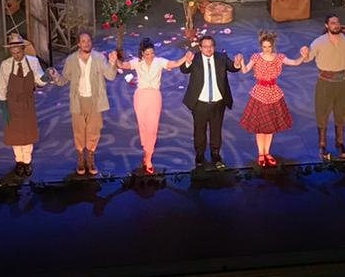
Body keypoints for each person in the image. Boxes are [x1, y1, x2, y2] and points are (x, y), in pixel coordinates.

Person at [235, 30, 309, 166]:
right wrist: (240, 63)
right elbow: (245, 71)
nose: (267, 49)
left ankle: (267, 153)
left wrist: (303, 56)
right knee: (260, 127)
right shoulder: (256, 57)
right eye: (264, 47)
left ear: (273, 46)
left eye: (269, 46)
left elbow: (295, 63)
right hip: (259, 94)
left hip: (273, 94)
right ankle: (260, 154)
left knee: (269, 128)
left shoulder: (279, 57)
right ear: (261, 47)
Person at [57, 29, 119, 177]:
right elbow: (63, 80)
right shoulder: (71, 60)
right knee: (78, 131)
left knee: (94, 130)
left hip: (95, 101)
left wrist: (112, 63)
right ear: (78, 44)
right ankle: (80, 159)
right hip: (78, 101)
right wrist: (54, 76)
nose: (87, 44)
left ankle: (90, 158)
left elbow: (110, 76)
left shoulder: (99, 58)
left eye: (89, 41)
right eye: (83, 41)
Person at [0, 33, 58, 177]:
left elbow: (40, 81)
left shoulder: (33, 61)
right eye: (13, 53)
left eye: (18, 52)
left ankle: (27, 161)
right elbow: (2, 87)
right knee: (15, 136)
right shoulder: (5, 65)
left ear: (23, 50)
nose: (16, 55)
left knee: (27, 135)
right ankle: (19, 162)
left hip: (27, 103)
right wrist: (4, 108)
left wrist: (47, 76)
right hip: (12, 104)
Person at [125, 37, 187, 174]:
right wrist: (114, 61)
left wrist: (185, 58)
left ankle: (148, 157)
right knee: (143, 126)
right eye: (147, 54)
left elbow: (174, 63)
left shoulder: (159, 62)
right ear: (142, 54)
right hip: (140, 96)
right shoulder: (137, 63)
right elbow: (123, 65)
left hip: (154, 96)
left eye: (152, 53)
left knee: (152, 127)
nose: (150, 56)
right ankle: (146, 150)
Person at [179, 34, 242, 169]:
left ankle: (215, 155)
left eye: (211, 46)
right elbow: (184, 69)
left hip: (218, 103)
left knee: (216, 130)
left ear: (214, 47)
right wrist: (187, 61)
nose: (208, 49)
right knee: (199, 131)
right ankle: (200, 156)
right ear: (200, 48)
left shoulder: (221, 57)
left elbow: (232, 67)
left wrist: (237, 64)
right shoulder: (195, 58)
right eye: (205, 47)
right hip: (200, 103)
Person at [306, 14, 345, 161]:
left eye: (338, 22)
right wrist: (304, 53)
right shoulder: (319, 42)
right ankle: (322, 144)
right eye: (333, 23)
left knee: (342, 113)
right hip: (325, 83)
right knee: (322, 113)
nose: (336, 25)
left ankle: (340, 142)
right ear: (327, 26)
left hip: (343, 82)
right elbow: (308, 57)